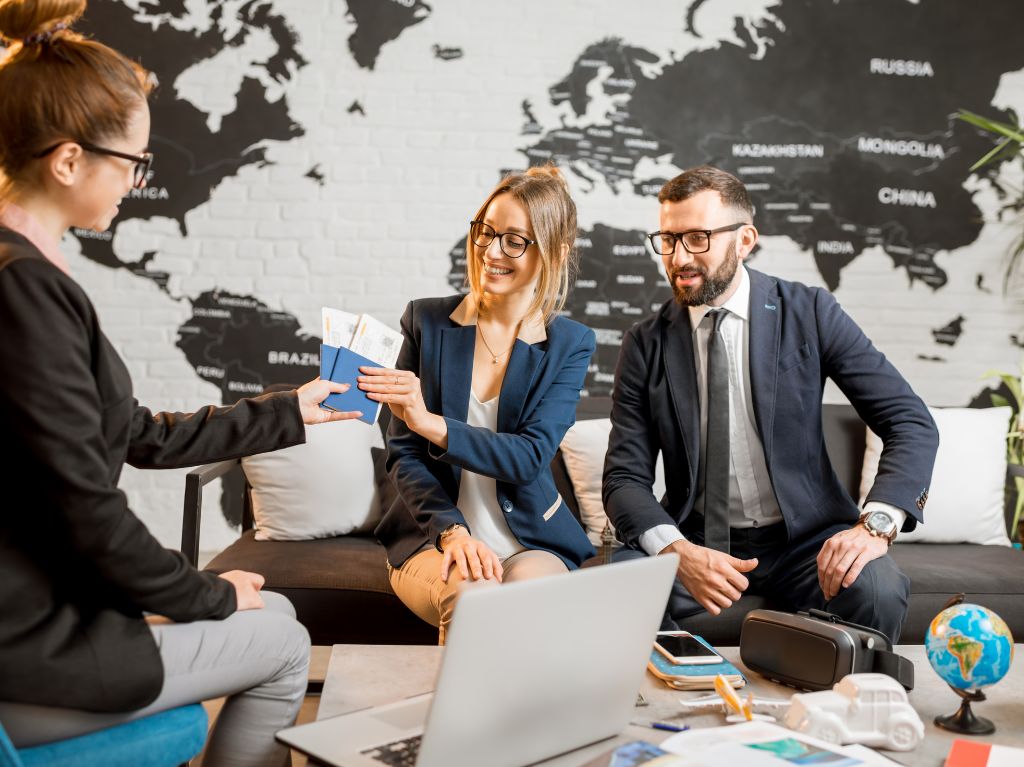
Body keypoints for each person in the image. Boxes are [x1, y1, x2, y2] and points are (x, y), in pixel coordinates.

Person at [0, 2, 362, 764]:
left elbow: (134, 433)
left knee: (273, 616)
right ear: (68, 161)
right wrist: (211, 592)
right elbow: (86, 512)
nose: (136, 179)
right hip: (29, 648)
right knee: (285, 638)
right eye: (131, 162)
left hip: (34, 618)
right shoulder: (23, 292)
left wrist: (285, 412)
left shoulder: (27, 275)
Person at [603, 165, 938, 643]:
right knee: (618, 584)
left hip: (807, 544)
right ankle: (684, 703)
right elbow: (624, 478)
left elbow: (909, 420)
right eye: (668, 239)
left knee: (877, 590)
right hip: (697, 540)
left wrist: (875, 526)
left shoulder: (810, 312)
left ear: (745, 240)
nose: (678, 257)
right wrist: (676, 549)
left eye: (697, 238)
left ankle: (845, 710)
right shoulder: (645, 343)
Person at [361, 167, 596, 644]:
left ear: (555, 252)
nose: (491, 252)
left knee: (528, 608)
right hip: (436, 538)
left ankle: (528, 718)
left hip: (530, 540)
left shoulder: (570, 344)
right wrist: (454, 534)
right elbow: (404, 455)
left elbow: (529, 457)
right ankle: (456, 721)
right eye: (486, 232)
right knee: (475, 597)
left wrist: (431, 423)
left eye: (515, 241)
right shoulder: (425, 321)